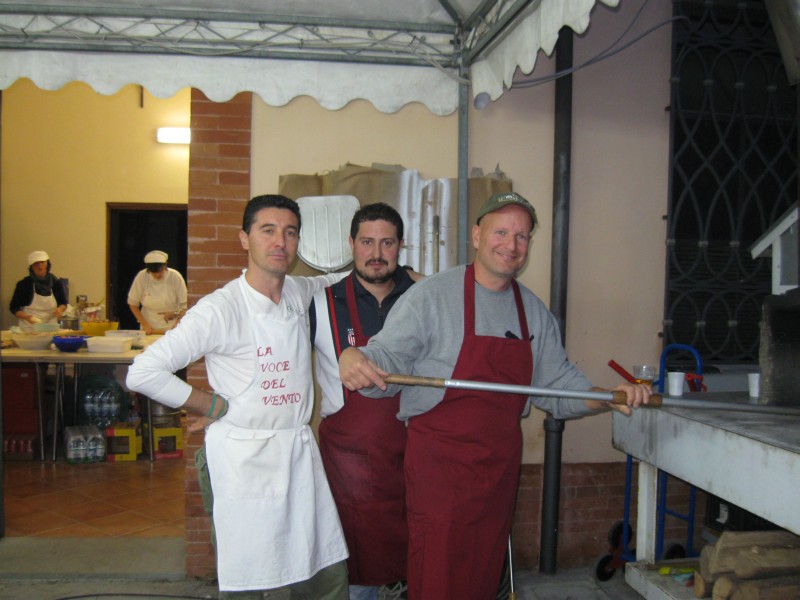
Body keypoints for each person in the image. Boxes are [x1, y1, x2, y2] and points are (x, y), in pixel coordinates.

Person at [338, 192, 651, 600]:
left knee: (483, 573)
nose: (511, 245)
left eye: (522, 236)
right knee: (436, 572)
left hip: (498, 469)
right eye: (501, 232)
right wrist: (355, 358)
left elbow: (557, 387)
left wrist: (609, 397)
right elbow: (388, 357)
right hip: (439, 467)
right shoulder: (432, 296)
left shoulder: (533, 312)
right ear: (476, 235)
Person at [127, 195, 349, 599]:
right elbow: (143, 372)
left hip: (297, 453)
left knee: (321, 571)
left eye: (290, 232)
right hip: (244, 460)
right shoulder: (219, 309)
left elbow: (345, 282)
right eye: (268, 230)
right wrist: (210, 404)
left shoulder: (301, 293)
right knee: (250, 575)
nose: (280, 241)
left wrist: (407, 274)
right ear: (244, 239)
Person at [311, 203, 415, 600]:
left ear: (400, 246)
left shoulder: (423, 298)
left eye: (386, 242)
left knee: (421, 555)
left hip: (416, 452)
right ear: (351, 244)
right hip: (350, 464)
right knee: (356, 574)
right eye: (366, 242)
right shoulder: (320, 302)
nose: (376, 253)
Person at [127, 250, 188, 334]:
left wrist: (177, 323)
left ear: (165, 267)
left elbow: (185, 305)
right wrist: (145, 324)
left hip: (172, 326)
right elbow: (133, 303)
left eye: (160, 271)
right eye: (154, 273)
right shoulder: (142, 277)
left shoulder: (175, 276)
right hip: (149, 327)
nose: (157, 275)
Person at [10, 250, 68, 331]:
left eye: (42, 262)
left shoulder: (56, 282)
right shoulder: (24, 284)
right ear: (31, 267)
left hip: (51, 326)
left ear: (47, 264)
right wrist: (27, 317)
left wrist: (60, 309)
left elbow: (63, 303)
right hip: (29, 328)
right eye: (36, 263)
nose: (39, 266)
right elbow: (14, 307)